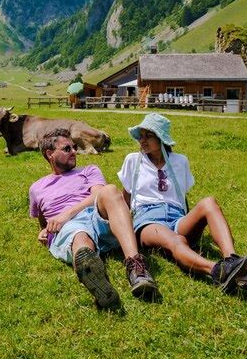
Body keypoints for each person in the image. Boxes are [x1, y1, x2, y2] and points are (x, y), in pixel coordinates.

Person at [118, 113, 247, 293]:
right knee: (177, 240)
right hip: (149, 220)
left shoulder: (180, 161)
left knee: (209, 202)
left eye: (148, 135)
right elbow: (125, 199)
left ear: (161, 138)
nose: (142, 140)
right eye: (141, 136)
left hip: (177, 218)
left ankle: (231, 260)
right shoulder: (133, 160)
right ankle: (217, 270)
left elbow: (181, 197)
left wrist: (189, 220)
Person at [29, 128, 158, 310]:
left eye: (74, 147)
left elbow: (98, 195)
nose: (75, 151)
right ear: (50, 154)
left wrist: (67, 214)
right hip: (70, 228)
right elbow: (44, 221)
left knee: (110, 190)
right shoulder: (37, 187)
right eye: (67, 149)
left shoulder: (89, 170)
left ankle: (136, 267)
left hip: (96, 216)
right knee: (80, 237)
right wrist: (43, 230)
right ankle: (98, 282)